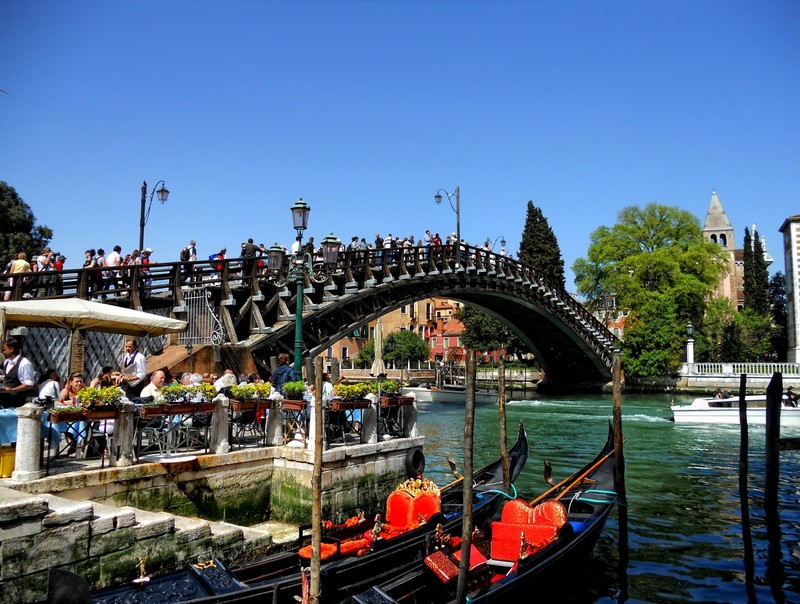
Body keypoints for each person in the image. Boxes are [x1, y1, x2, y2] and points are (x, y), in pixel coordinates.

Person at [0, 338, 36, 407]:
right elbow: (8, 378)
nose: (3, 352)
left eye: (4, 350)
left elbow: (29, 383)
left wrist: (13, 389)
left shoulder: (24, 363)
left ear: (11, 349)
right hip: (5, 399)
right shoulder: (7, 362)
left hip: (17, 401)